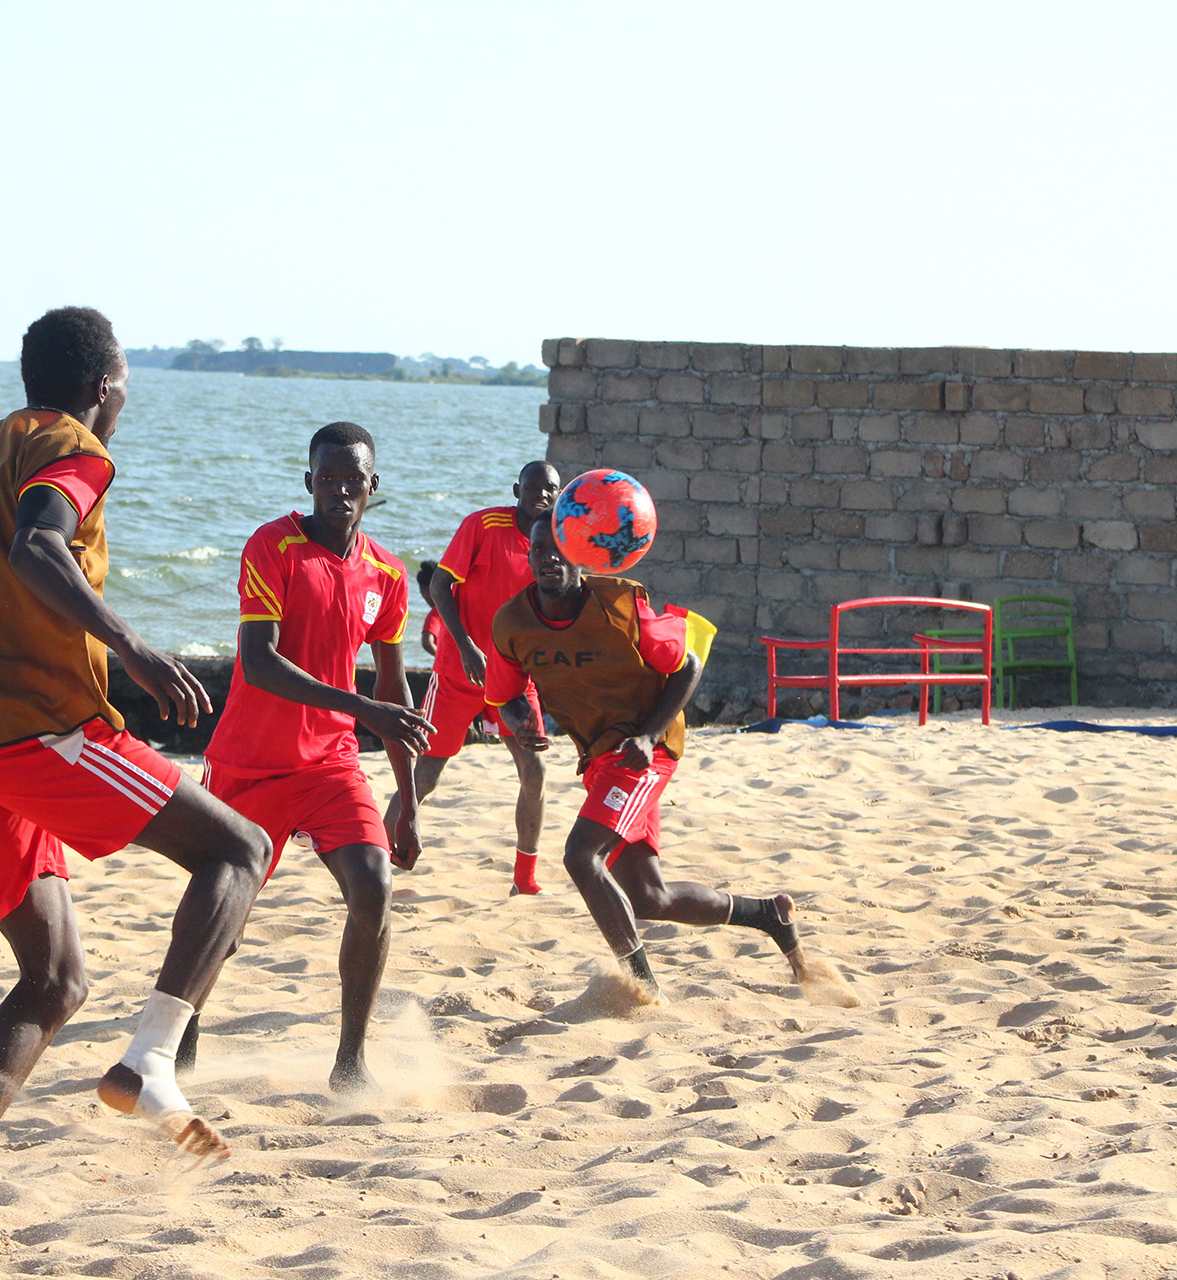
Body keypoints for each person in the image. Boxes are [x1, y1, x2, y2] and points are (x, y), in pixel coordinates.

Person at [0, 306, 272, 1280]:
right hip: (33, 729)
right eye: (126, 383)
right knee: (240, 849)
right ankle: (150, 1062)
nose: (125, 399)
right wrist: (130, 645)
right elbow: (37, 550)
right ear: (103, 385)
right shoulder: (75, 446)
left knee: (54, 977)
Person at [484, 514, 823, 997]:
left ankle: (645, 988)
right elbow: (507, 693)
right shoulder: (512, 622)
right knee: (647, 896)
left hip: (647, 751)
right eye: (539, 550)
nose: (549, 559)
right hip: (600, 758)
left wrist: (648, 735)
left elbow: (689, 664)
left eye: (559, 550)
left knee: (581, 857)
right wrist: (521, 723)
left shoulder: (619, 603)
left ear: (582, 555)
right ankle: (767, 915)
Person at [199, 421, 433, 1093]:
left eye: (351, 482)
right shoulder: (273, 547)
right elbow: (259, 663)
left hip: (331, 765)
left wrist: (407, 802)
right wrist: (363, 709)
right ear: (309, 483)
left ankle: (350, 1062)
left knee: (374, 889)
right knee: (222, 926)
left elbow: (393, 692)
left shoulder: (386, 574)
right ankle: (176, 1044)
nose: (338, 492)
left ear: (371, 487)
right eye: (326, 480)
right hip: (251, 763)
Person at [396, 461, 561, 895]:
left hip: (512, 679)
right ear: (517, 490)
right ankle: (376, 854)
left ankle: (524, 878)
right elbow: (440, 588)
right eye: (534, 488)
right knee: (426, 775)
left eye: (551, 490)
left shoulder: (557, 544)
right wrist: (467, 646)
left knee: (535, 770)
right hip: (458, 671)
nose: (542, 496)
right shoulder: (483, 525)